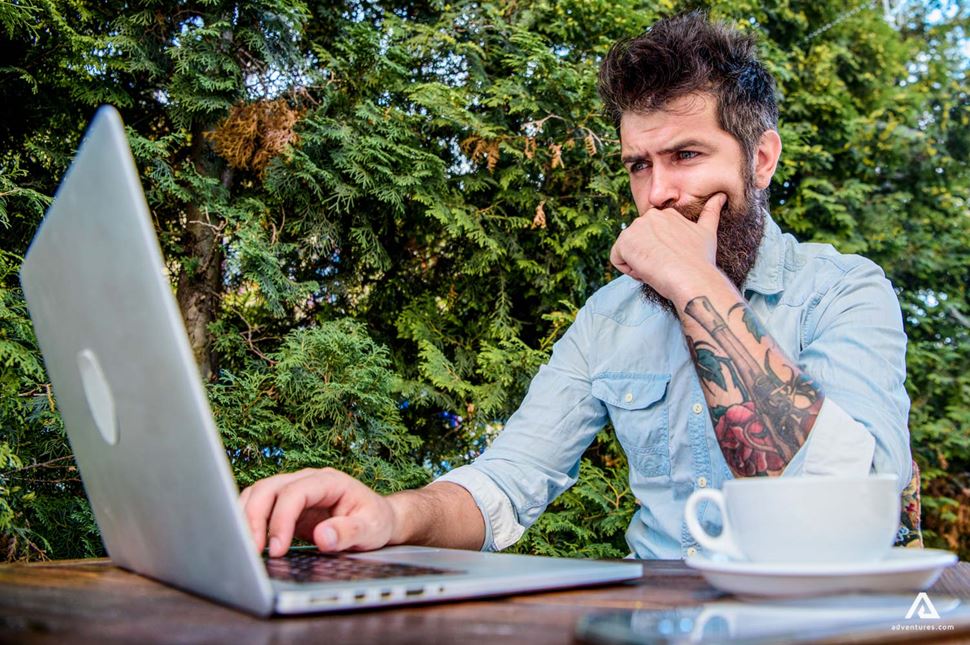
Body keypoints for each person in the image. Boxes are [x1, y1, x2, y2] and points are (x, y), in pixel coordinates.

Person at [239, 12, 912, 560]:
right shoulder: (610, 318)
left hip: (819, 626)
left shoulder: (844, 291)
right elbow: (504, 484)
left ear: (761, 159)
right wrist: (391, 512)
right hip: (659, 623)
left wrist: (693, 283)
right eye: (638, 165)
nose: (657, 195)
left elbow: (857, 502)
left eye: (686, 155)